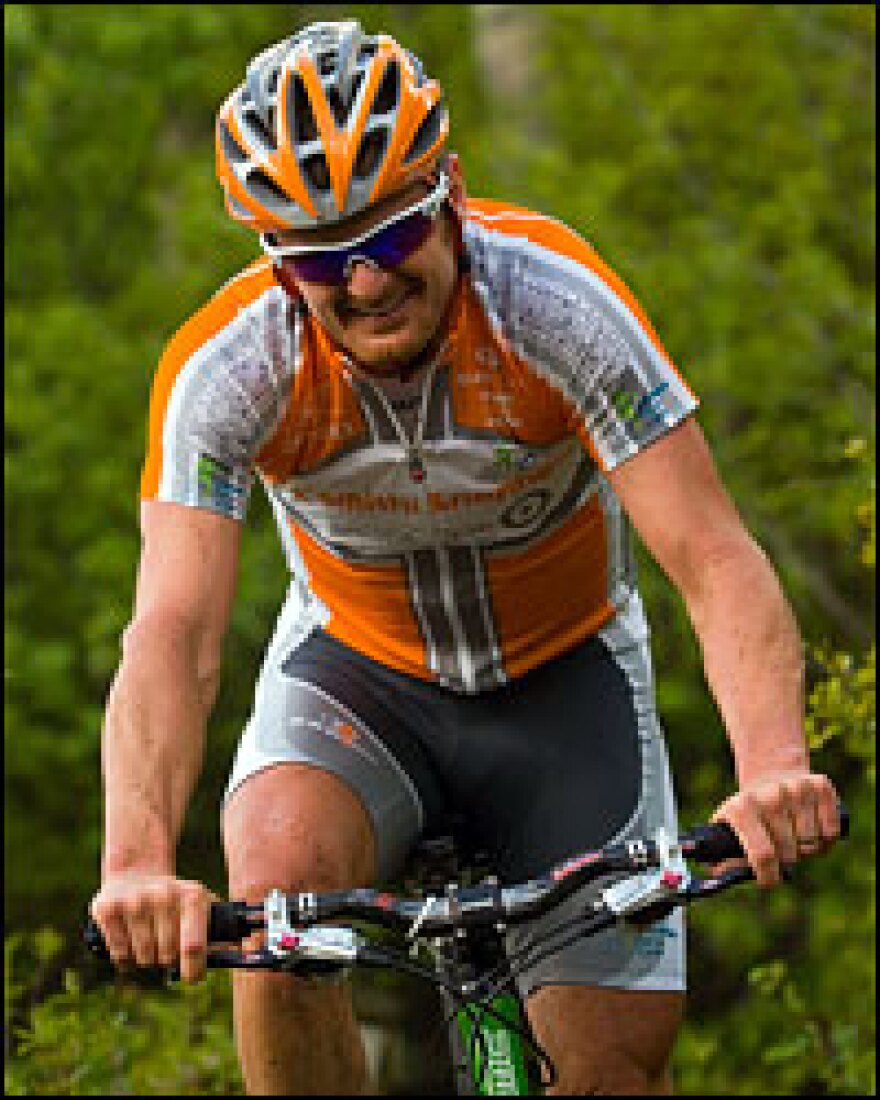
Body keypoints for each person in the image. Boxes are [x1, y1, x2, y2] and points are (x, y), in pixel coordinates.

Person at [90, 19, 842, 1096]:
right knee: (277, 895)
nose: (362, 283)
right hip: (358, 683)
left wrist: (770, 763)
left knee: (611, 1073)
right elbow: (171, 631)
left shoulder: (555, 305)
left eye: (389, 237)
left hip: (564, 677)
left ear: (447, 189)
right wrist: (135, 861)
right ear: (271, 258)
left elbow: (713, 555)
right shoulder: (227, 367)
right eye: (318, 259)